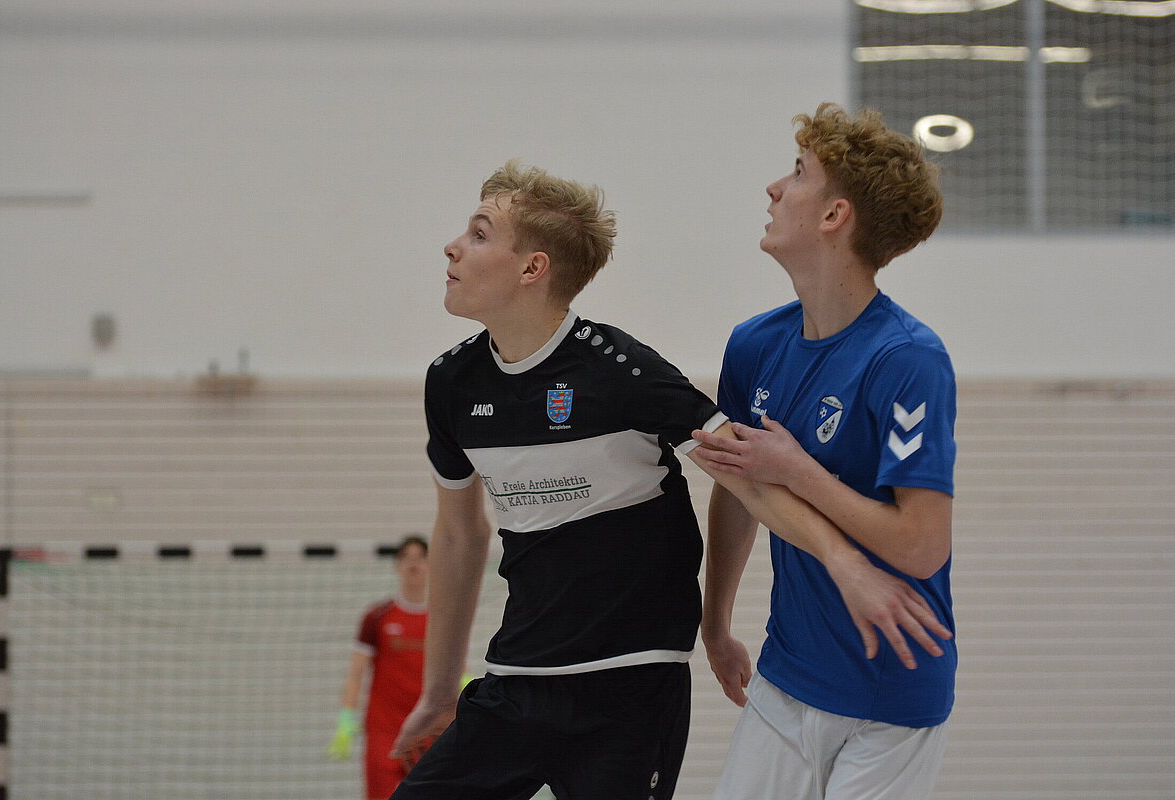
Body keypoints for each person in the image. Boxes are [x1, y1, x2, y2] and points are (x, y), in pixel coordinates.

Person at [389, 160, 951, 800]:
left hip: (630, 686)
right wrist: (439, 690)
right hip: (516, 677)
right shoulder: (451, 382)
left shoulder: (622, 370)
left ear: (532, 268)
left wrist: (839, 562)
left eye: (479, 233)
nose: (453, 246)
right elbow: (459, 536)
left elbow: (747, 481)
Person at [690, 103, 957, 799]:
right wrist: (715, 622)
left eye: (799, 173)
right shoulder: (754, 344)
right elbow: (739, 490)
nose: (775, 188)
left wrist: (800, 472)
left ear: (836, 216)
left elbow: (921, 545)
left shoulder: (907, 359)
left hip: (891, 694)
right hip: (787, 676)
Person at [329, 535, 430, 800]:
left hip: (428, 730)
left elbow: (458, 673)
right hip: (384, 731)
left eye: (420, 558)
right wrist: (346, 719)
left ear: (431, 565)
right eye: (406, 558)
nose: (413, 564)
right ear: (397, 565)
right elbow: (356, 673)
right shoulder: (377, 617)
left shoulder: (441, 618)